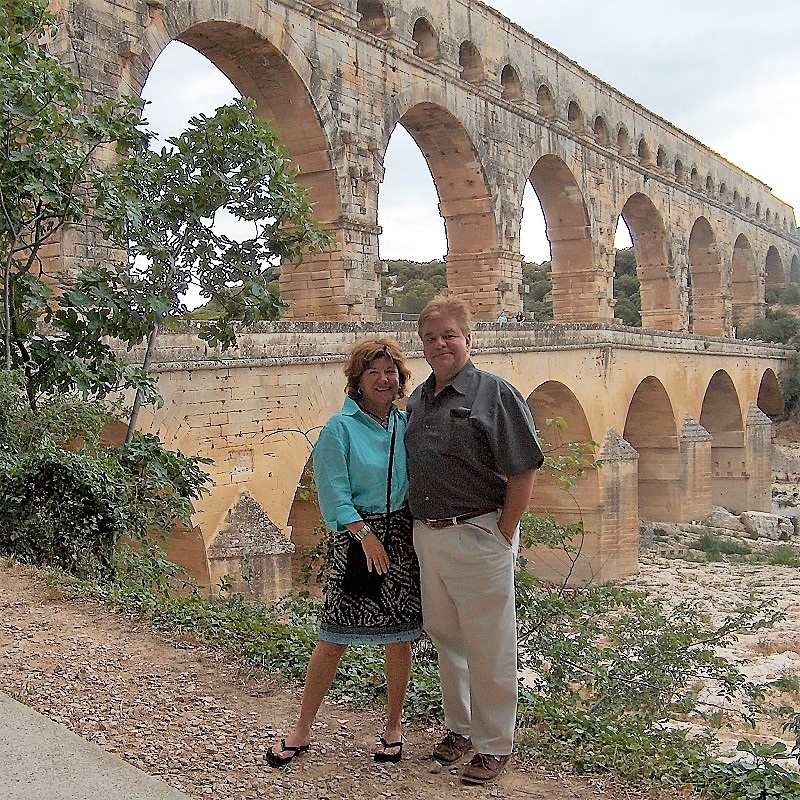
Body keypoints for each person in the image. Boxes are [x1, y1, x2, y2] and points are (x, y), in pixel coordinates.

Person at [405, 296, 544, 786]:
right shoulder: (419, 399)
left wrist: (503, 531)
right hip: (431, 535)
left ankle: (494, 744)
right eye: (430, 337)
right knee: (447, 638)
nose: (440, 344)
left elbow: (523, 467)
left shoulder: (495, 394)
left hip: (478, 532)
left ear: (468, 339)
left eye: (449, 335)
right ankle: (460, 728)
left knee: (490, 644)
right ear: (421, 345)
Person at [267, 338, 422, 767]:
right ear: (357, 381)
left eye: (389, 371)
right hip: (358, 540)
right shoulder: (339, 429)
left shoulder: (405, 425)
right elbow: (333, 494)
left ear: (400, 378)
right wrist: (365, 535)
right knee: (333, 637)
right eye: (372, 372)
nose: (383, 380)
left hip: (403, 538)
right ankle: (301, 730)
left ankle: (393, 727)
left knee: (398, 637)